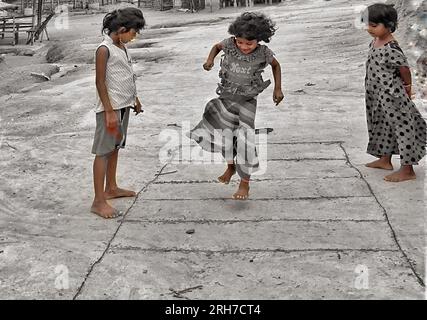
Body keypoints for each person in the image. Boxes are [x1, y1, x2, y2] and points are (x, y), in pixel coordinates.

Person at [188, 12, 284, 200]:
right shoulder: (229, 44)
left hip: (247, 101)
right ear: (235, 38)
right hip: (225, 97)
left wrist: (277, 89)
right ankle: (231, 166)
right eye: (240, 42)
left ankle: (244, 183)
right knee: (224, 135)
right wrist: (210, 61)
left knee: (245, 139)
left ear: (260, 40)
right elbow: (216, 47)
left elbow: (276, 66)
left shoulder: (264, 53)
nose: (244, 47)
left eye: (249, 43)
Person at [91, 8, 145, 218]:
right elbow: (100, 82)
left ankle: (111, 187)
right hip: (109, 109)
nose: (135, 36)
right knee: (103, 152)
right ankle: (98, 201)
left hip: (123, 106)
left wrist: (135, 99)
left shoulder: (121, 46)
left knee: (114, 148)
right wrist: (109, 111)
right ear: (122, 29)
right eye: (133, 32)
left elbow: (126, 75)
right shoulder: (104, 50)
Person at [362, 3, 426, 182]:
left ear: (389, 25)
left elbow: (404, 69)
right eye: (367, 25)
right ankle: (384, 160)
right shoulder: (374, 42)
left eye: (374, 26)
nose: (369, 29)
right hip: (376, 95)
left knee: (402, 128)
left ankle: (407, 169)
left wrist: (407, 87)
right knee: (382, 125)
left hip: (393, 96)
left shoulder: (392, 48)